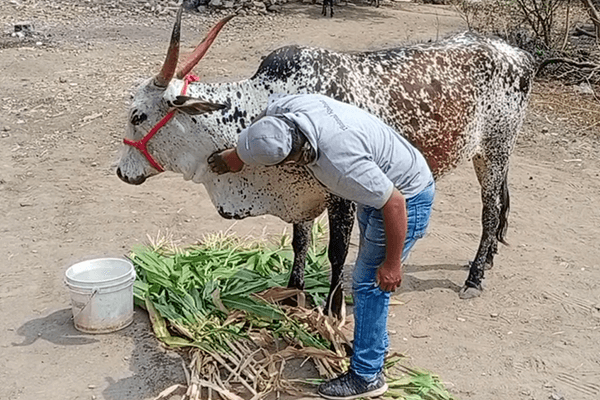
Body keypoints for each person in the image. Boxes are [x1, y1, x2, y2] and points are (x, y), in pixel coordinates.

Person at [208, 94, 435, 400]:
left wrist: (393, 264)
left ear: (293, 159)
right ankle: (374, 347)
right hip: (385, 178)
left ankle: (367, 377)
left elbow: (394, 204)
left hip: (407, 198)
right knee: (369, 281)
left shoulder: (339, 166)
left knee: (369, 284)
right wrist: (236, 156)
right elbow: (261, 132)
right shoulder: (292, 107)